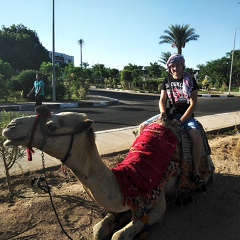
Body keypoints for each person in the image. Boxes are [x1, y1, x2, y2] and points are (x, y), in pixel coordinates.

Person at [139, 54, 205, 188]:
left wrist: (181, 120)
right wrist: (163, 114)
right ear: (170, 67)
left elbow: (193, 104)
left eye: (178, 65)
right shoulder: (167, 80)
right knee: (143, 126)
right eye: (173, 66)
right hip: (168, 114)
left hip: (185, 116)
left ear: (183, 65)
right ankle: (141, 163)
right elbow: (162, 100)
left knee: (196, 137)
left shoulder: (191, 80)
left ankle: (196, 172)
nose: (175, 68)